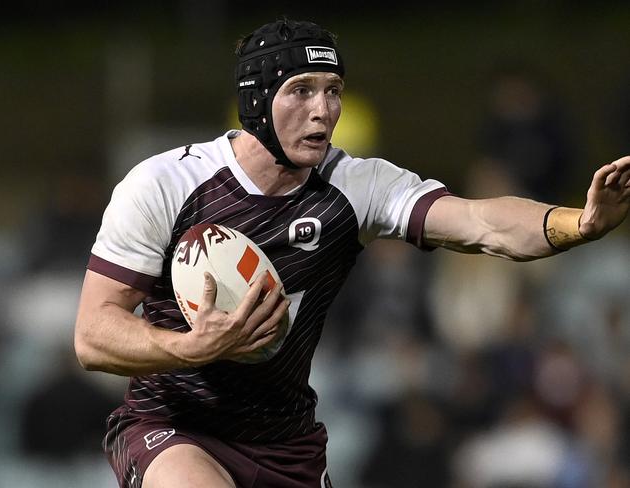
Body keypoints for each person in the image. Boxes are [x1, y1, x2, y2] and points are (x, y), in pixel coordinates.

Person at [74, 18, 630, 488]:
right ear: (257, 99)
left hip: (287, 441)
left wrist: (577, 224)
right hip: (173, 424)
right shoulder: (165, 185)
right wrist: (189, 348)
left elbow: (480, 221)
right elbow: (93, 334)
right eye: (302, 90)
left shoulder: (355, 184)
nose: (324, 110)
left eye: (333, 89)